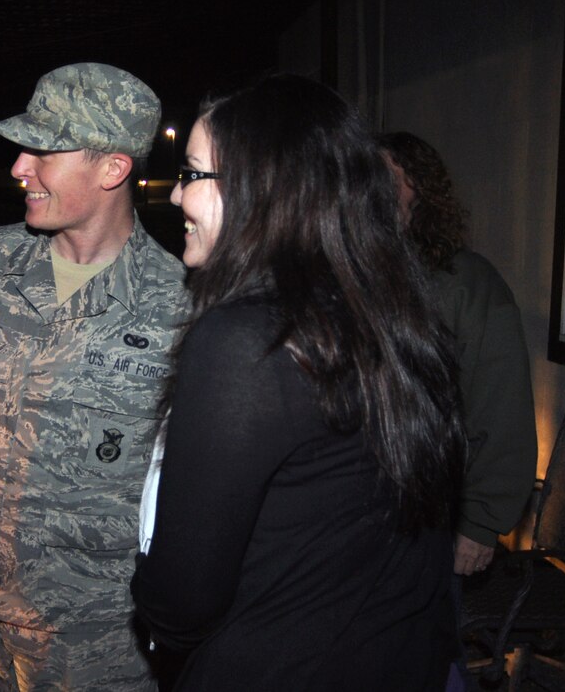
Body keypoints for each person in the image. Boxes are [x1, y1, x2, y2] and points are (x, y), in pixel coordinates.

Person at [131, 74, 467, 690]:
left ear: (264, 189)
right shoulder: (393, 316)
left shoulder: (248, 342)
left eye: (195, 174)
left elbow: (183, 598)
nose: (177, 196)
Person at [0, 63, 189, 689]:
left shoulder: (178, 305)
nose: (21, 167)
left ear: (112, 168)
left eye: (44, 151)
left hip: (97, 634)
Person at [378, 131, 537, 576]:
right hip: (358, 526)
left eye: (391, 178)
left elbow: (502, 413)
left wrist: (480, 525)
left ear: (422, 193)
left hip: (431, 524)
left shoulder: (467, 285)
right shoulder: (348, 277)